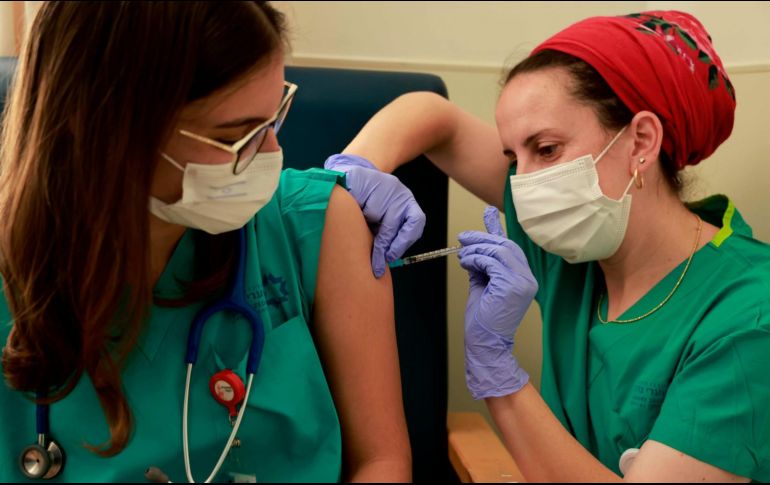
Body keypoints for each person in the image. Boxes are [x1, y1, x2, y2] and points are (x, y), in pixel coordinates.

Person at [325, 10, 770, 482]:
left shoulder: (748, 318)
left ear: (641, 140)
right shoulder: (573, 243)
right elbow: (435, 118)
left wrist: (497, 372)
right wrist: (355, 170)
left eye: (547, 149)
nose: (523, 186)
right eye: (512, 158)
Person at [0, 2, 411, 482]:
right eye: (236, 137)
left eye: (273, 118)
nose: (273, 155)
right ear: (107, 133)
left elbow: (382, 462)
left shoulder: (315, 226)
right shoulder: (15, 271)